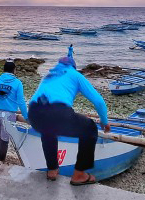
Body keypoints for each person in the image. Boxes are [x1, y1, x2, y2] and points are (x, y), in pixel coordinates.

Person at [28, 56, 109, 186]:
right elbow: (98, 101)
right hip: (56, 111)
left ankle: (52, 170)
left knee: (48, 130)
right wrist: (104, 121)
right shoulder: (75, 74)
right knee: (89, 128)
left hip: (33, 114)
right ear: (73, 67)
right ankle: (79, 174)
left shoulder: (49, 75)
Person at [0, 60, 29, 161]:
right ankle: (0, 162)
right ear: (14, 70)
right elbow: (21, 102)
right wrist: (26, 116)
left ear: (4, 70)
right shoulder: (17, 83)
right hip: (9, 114)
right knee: (5, 139)